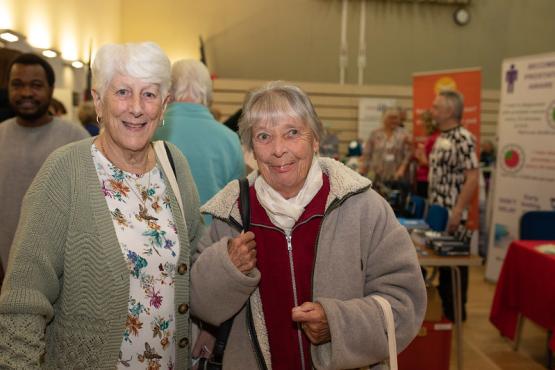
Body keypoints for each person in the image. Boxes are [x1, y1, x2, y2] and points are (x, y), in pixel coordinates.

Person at [190, 82, 426, 369]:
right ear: (251, 149)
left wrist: (337, 325)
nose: (279, 150)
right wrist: (226, 268)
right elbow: (197, 304)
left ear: (315, 139)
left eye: (292, 133)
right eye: (264, 136)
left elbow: (405, 302)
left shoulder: (364, 208)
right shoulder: (231, 213)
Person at [0, 42, 203, 369]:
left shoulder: (174, 164)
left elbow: (193, 259)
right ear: (98, 100)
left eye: (149, 95)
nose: (136, 108)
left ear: (164, 105)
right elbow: (23, 301)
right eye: (122, 92)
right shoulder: (64, 170)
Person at [0, 53, 89, 273]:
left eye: (36, 85)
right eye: (17, 85)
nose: (26, 93)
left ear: (51, 89)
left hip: (62, 274)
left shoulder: (76, 139)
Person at [155, 59, 244, 224]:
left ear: (168, 91)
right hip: (212, 242)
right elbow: (236, 205)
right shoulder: (230, 140)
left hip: (159, 236)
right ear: (209, 94)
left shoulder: (149, 131)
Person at [429, 90, 479, 321]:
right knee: (443, 267)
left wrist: (458, 210)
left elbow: (472, 177)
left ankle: (457, 317)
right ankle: (446, 318)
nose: (432, 110)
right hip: (438, 212)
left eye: (437, 106)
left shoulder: (463, 138)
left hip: (453, 212)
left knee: (455, 267)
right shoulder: (442, 136)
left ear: (449, 111)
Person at [360, 107, 412, 187]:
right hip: (376, 174)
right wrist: (363, 170)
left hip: (396, 176)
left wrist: (402, 169)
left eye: (396, 118)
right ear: (384, 119)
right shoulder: (375, 133)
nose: (394, 121)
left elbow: (408, 154)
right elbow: (367, 153)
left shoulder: (404, 134)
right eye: (391, 118)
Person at [414, 110, 439, 198]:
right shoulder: (435, 137)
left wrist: (419, 154)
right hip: (426, 177)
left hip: (425, 178)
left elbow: (425, 162)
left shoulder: (432, 139)